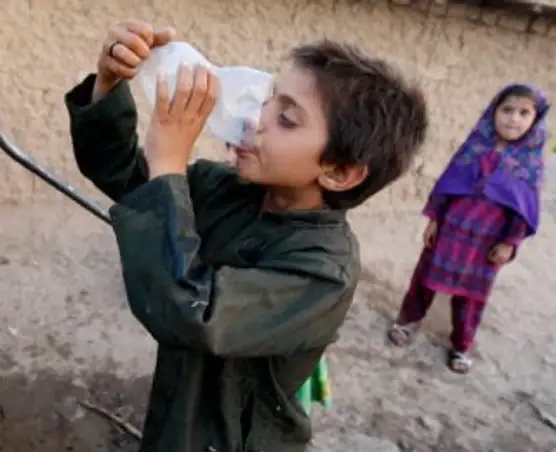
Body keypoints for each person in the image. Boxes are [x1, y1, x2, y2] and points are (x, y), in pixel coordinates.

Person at [64, 19, 428, 451]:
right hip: (181, 412)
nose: (255, 118)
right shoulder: (228, 189)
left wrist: (169, 164)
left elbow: (192, 313)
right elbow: (128, 178)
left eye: (286, 119)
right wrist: (109, 85)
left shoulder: (323, 271)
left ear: (340, 172)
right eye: (268, 99)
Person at [387, 84, 550, 374]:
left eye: (524, 113)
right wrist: (435, 219)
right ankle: (408, 321)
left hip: (487, 243)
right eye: (507, 109)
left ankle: (462, 344)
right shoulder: (476, 146)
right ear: (493, 111)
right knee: (425, 279)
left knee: (472, 296)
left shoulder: (530, 163)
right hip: (451, 230)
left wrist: (510, 242)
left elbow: (523, 208)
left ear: (535, 120)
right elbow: (450, 183)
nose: (513, 118)